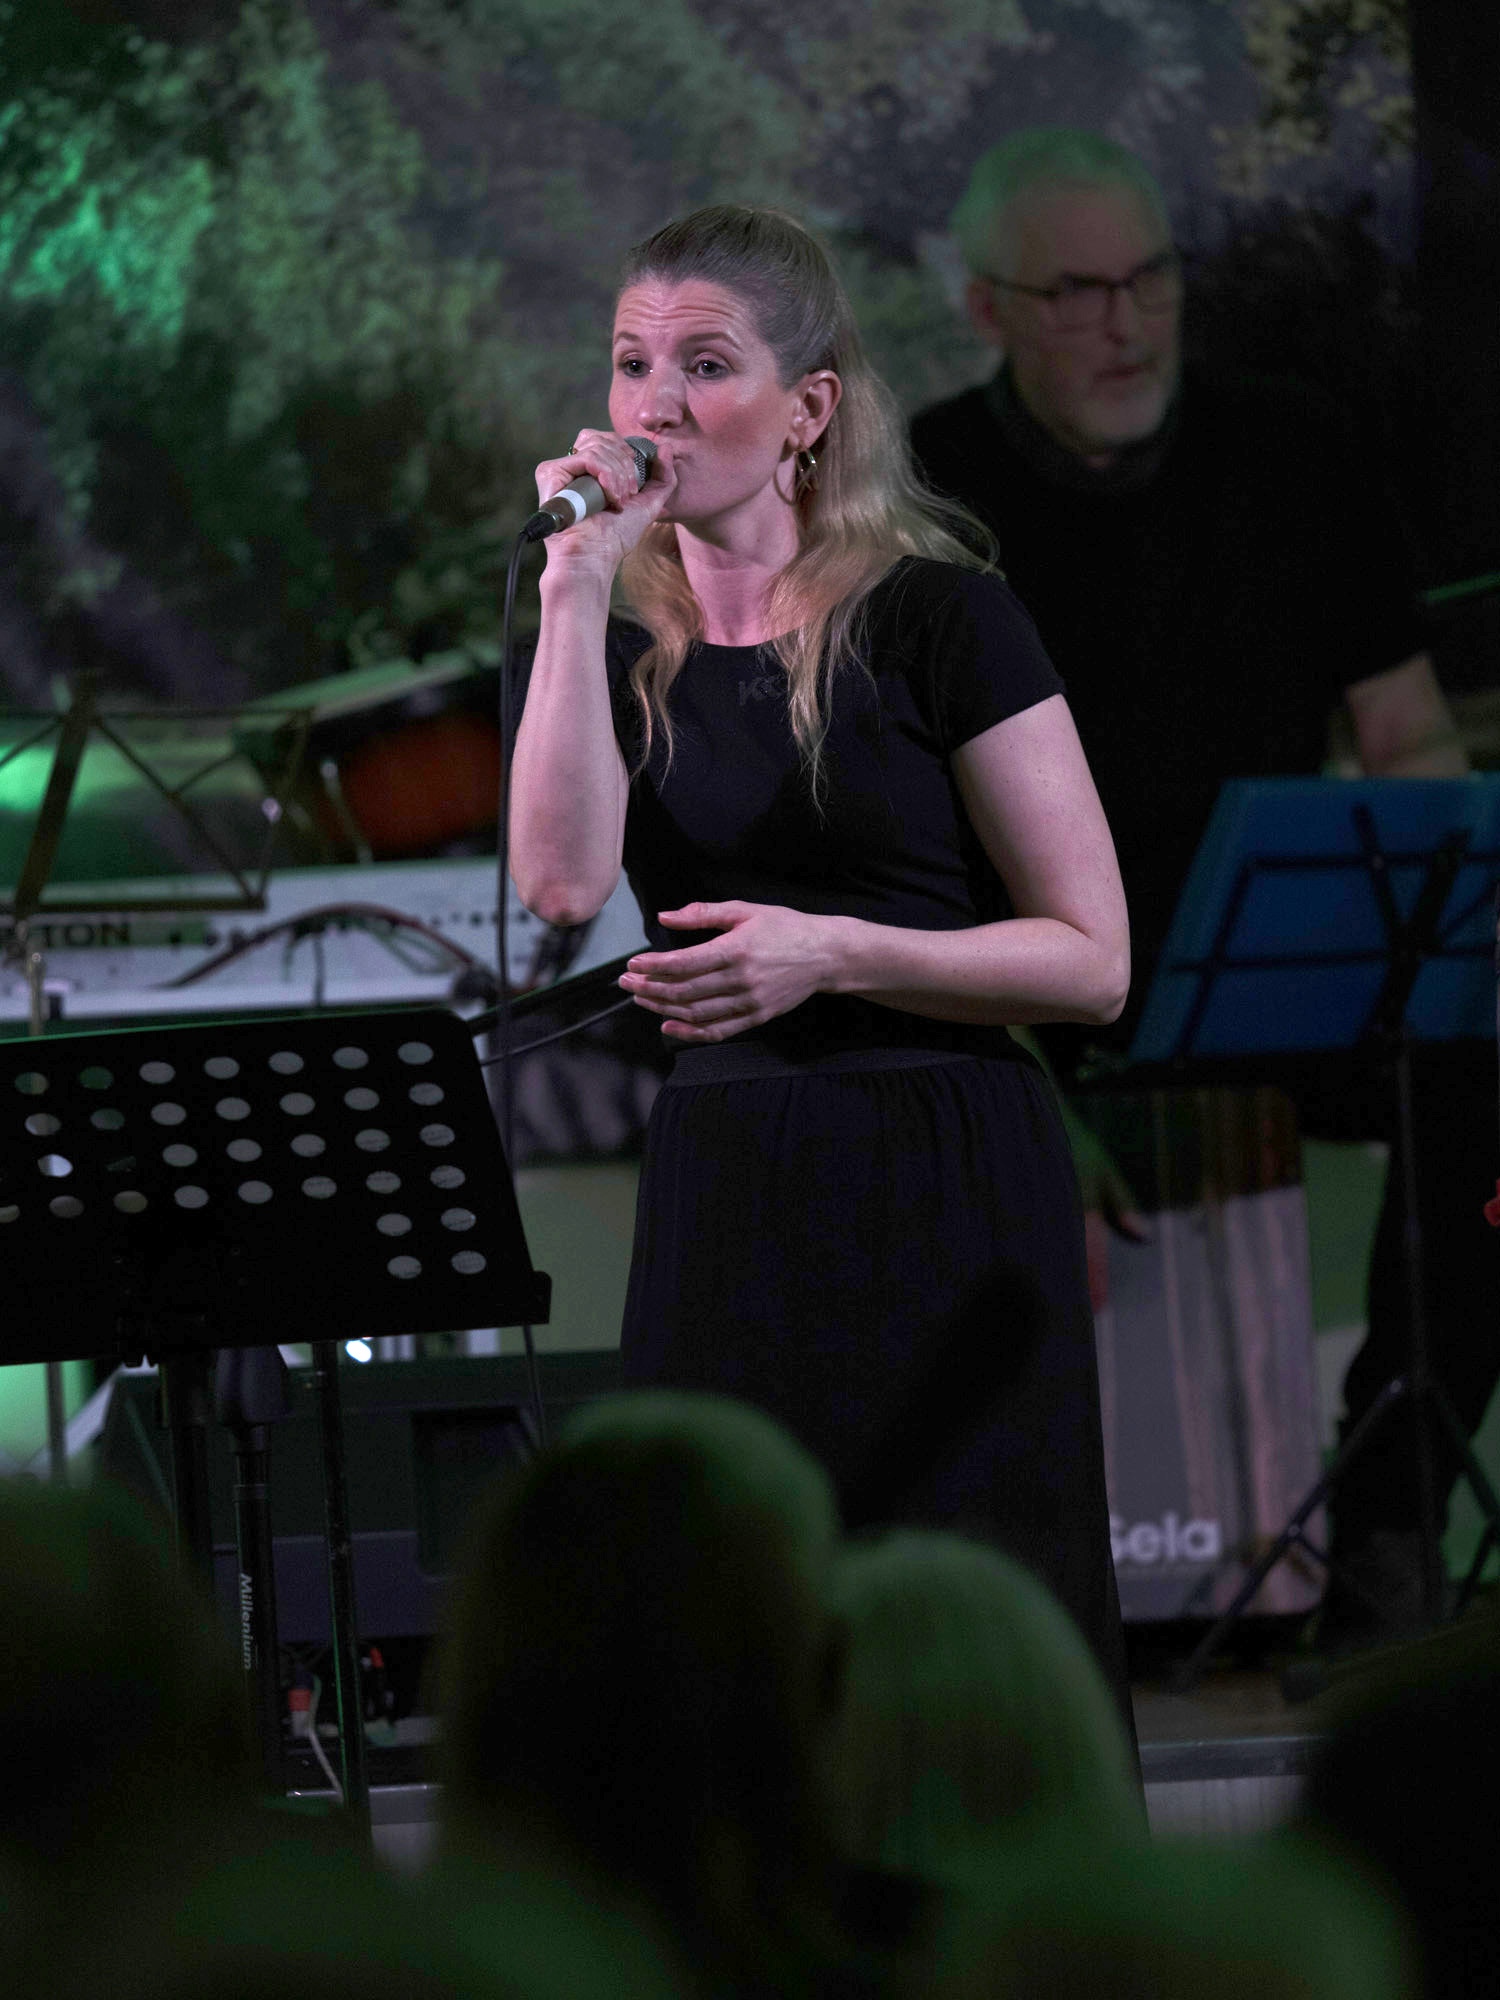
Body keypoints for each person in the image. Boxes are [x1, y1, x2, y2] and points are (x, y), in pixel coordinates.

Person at [508, 204, 1133, 1713]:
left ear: (807, 410)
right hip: (730, 1169)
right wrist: (574, 587)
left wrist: (832, 953)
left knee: (966, 1635)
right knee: (737, 1634)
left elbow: (1093, 960)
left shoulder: (940, 617)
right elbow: (559, 884)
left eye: (705, 365)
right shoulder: (606, 634)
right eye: (632, 363)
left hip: (941, 1161)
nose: (656, 405)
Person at [910, 129, 1494, 1645]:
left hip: (1281, 954)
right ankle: (1014, 1599)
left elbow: (1407, 733)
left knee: (1487, 1087)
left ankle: (1387, 1514)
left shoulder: (1296, 448)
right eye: (1079, 292)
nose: (1128, 323)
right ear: (988, 308)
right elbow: (899, 842)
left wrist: (1445, 906)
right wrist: (1017, 1071)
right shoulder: (923, 497)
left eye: (1152, 278)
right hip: (1044, 994)